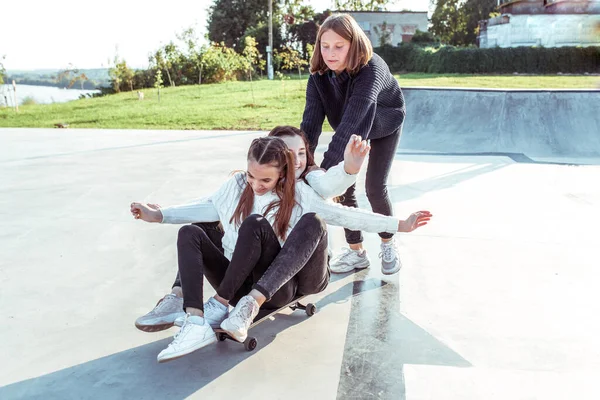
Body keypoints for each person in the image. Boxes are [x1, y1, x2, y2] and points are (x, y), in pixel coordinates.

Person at [131, 136, 431, 362]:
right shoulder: (236, 185)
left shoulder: (300, 194)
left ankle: (242, 304)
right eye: (251, 176)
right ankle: (195, 320)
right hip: (238, 281)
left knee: (272, 223)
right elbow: (204, 207)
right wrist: (157, 215)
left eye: (265, 180)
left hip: (280, 286)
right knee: (190, 232)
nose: (255, 185)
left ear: (283, 175)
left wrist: (399, 225)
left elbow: (347, 216)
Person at [133, 129, 370, 334]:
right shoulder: (253, 182)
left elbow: (341, 204)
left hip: (291, 281)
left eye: (300, 153)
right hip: (244, 281)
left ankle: (245, 301)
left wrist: (394, 225)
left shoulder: (311, 183)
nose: (295, 160)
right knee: (198, 229)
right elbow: (209, 205)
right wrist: (160, 214)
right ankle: (179, 298)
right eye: (287, 152)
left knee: (298, 222)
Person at [300, 13, 407, 275]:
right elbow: (310, 125)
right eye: (325, 46)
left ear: (354, 44)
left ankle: (388, 242)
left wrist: (323, 174)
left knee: (374, 187)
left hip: (384, 123)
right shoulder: (318, 77)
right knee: (343, 186)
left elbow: (354, 122)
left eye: (339, 46)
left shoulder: (372, 69)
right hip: (351, 124)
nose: (330, 53)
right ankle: (357, 252)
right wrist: (301, 164)